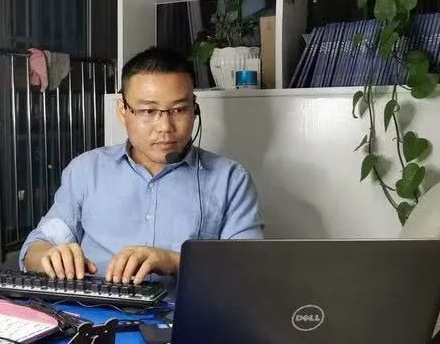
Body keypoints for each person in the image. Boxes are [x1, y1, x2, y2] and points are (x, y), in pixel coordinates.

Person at [20, 46, 263, 286]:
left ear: (195, 109)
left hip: (186, 311)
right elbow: (35, 248)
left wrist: (175, 262)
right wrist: (50, 257)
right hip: (93, 310)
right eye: (148, 111)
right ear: (122, 111)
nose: (165, 127)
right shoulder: (86, 171)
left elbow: (249, 271)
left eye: (179, 109)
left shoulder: (230, 180)